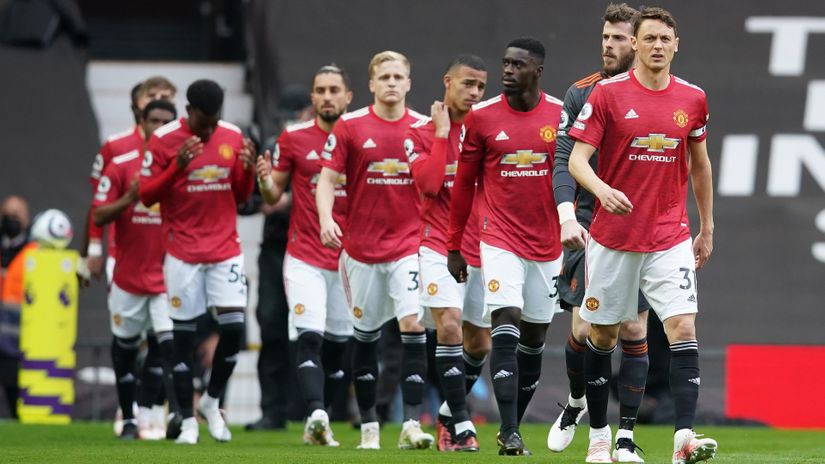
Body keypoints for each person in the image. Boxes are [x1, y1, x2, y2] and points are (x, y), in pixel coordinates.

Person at [567, 6, 717, 464]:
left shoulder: (693, 98)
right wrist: (601, 189)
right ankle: (599, 439)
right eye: (648, 38)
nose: (657, 46)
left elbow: (700, 165)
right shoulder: (607, 94)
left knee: (682, 326)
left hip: (670, 235)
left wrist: (707, 227)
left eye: (664, 39)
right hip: (612, 238)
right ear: (634, 44)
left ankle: (683, 440)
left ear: (676, 46)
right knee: (603, 335)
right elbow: (576, 160)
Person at [446, 38, 564, 456]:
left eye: (518, 65)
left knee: (534, 337)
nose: (508, 71)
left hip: (548, 244)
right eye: (505, 63)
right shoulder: (481, 118)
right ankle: (511, 430)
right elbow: (464, 185)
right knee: (505, 323)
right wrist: (454, 244)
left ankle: (509, 427)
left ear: (538, 71)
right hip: (498, 239)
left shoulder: (561, 116)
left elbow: (572, 177)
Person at [316, 50, 433, 450]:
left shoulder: (423, 127)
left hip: (409, 247)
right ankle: (369, 427)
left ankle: (411, 425)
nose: (391, 83)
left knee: (413, 326)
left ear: (409, 83)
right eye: (384, 77)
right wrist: (326, 219)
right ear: (371, 84)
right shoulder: (349, 126)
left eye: (398, 77)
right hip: (361, 251)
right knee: (365, 336)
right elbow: (326, 180)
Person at [548, 4, 649, 462]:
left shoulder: (661, 93)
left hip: (641, 226)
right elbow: (564, 159)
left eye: (618, 38)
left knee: (633, 326)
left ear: (638, 42)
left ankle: (622, 437)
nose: (608, 45)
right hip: (590, 223)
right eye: (605, 36)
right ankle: (575, 404)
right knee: (586, 327)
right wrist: (567, 216)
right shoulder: (581, 92)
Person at [139, 79, 256, 445]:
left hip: (225, 249)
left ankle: (211, 400)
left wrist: (248, 170)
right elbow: (146, 196)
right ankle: (188, 421)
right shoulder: (164, 140)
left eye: (214, 122)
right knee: (182, 340)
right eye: (204, 123)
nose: (209, 130)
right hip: (182, 253)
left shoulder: (232, 136)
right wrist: (177, 167)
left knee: (234, 329)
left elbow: (241, 196)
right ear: (189, 111)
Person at [255, 64, 353, 446]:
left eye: (334, 90)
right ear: (312, 98)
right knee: (308, 336)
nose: (327, 96)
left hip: (350, 260)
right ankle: (316, 415)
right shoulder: (293, 137)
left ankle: (329, 412)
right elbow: (272, 194)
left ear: (348, 96)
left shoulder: (362, 135)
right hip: (304, 255)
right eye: (320, 90)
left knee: (339, 347)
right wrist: (265, 180)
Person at [403, 54, 489, 452]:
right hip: (437, 244)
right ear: (447, 82)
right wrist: (441, 134)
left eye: (481, 86)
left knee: (480, 343)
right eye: (468, 83)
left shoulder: (486, 130)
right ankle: (462, 425)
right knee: (450, 326)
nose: (474, 92)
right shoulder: (419, 133)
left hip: (482, 247)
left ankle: (445, 416)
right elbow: (429, 185)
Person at [92, 99, 179, 440]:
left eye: (166, 122)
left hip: (167, 276)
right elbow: (98, 214)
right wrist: (130, 199)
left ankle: (165, 415)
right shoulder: (121, 166)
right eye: (153, 120)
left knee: (167, 346)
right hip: (128, 275)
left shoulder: (181, 168)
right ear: (141, 122)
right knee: (125, 349)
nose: (159, 128)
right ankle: (128, 418)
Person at [245, 86, 311, 431]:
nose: (289, 123)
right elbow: (250, 200)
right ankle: (272, 410)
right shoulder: (272, 147)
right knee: (271, 326)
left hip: (312, 247)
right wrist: (265, 200)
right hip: (276, 248)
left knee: (311, 329)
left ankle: (313, 407)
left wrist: (289, 201)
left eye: (294, 116)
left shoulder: (323, 145)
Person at [80, 76, 177, 285]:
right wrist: (92, 249)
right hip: (123, 251)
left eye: (165, 97)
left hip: (171, 255)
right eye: (151, 95)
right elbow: (98, 203)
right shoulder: (115, 146)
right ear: (138, 103)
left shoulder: (185, 147)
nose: (158, 100)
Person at [0, 196, 33, 419]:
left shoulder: (33, 250)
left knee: (14, 387)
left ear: (26, 218)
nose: (11, 219)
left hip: (18, 335)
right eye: (7, 214)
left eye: (16, 214)